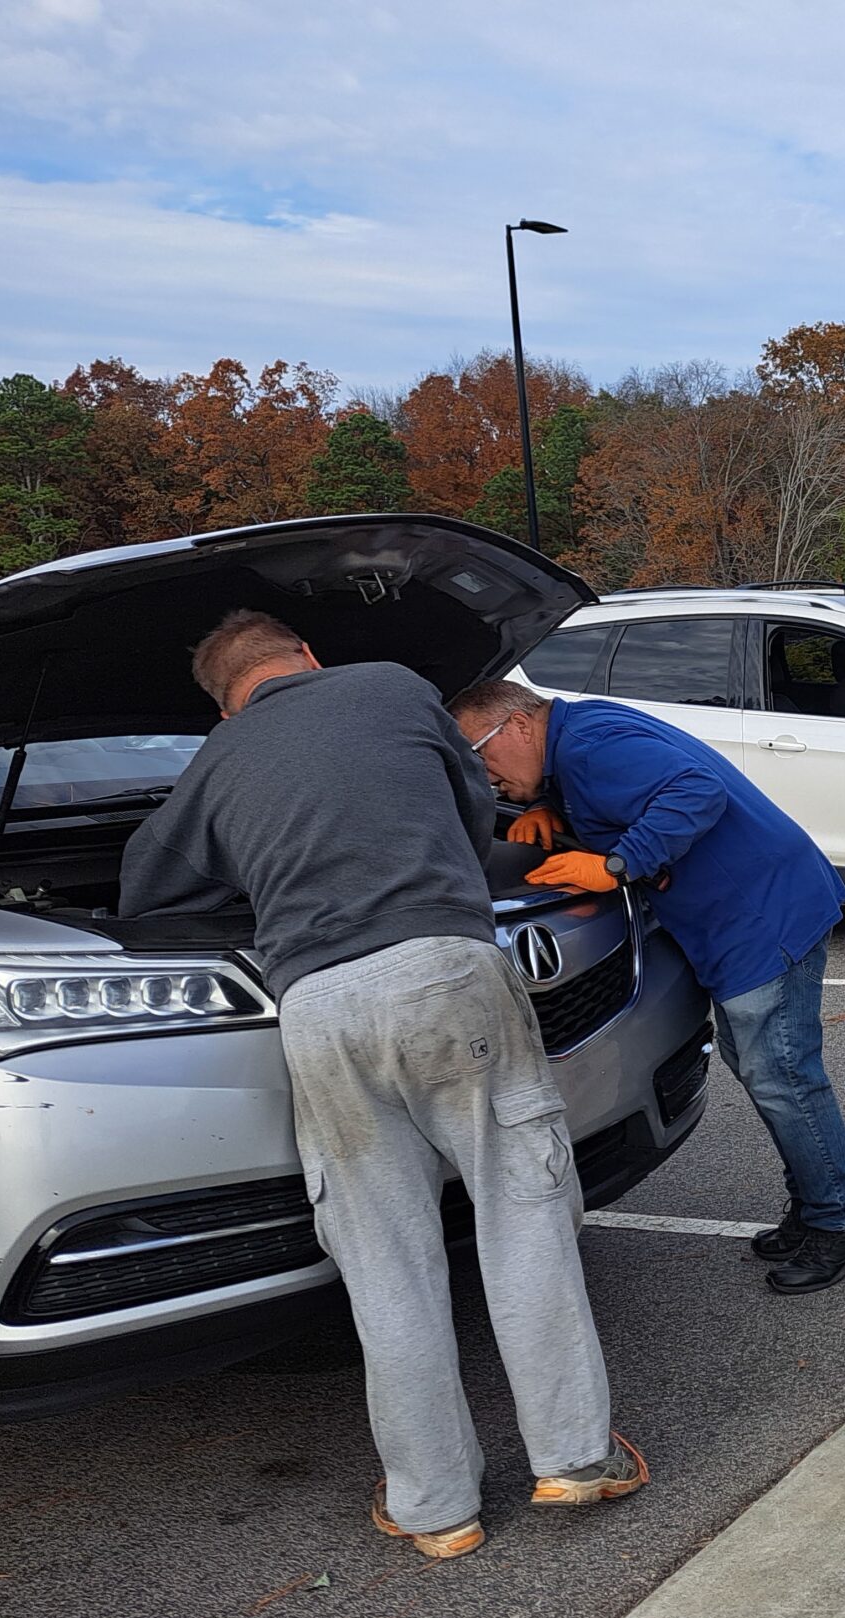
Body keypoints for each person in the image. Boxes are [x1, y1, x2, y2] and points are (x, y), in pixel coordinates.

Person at [119, 611, 643, 1562]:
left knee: (383, 1260)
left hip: (315, 1006)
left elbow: (148, 890)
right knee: (521, 1211)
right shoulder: (393, 684)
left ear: (225, 699)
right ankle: (575, 1458)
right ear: (308, 656)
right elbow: (464, 811)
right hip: (445, 972)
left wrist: (273, 876)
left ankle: (435, 1508)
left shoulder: (216, 761)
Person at [447, 678, 845, 1296]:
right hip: (744, 917)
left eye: (481, 754)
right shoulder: (577, 739)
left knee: (782, 1075)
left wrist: (615, 864)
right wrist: (553, 805)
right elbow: (633, 791)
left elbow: (694, 790)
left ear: (518, 726)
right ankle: (818, 1204)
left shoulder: (591, 746)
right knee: (765, 1068)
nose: (485, 777)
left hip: (762, 915)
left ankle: (842, 1218)